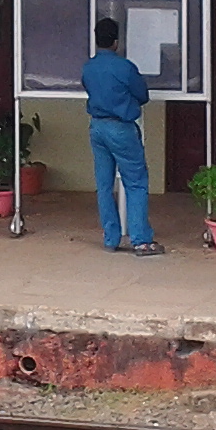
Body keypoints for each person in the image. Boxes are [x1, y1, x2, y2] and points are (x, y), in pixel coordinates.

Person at [82, 17, 165, 256]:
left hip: (97, 127)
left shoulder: (88, 67)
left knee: (104, 184)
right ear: (116, 42)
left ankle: (111, 238)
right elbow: (142, 95)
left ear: (97, 40)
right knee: (136, 181)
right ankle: (140, 239)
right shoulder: (124, 67)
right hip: (121, 127)